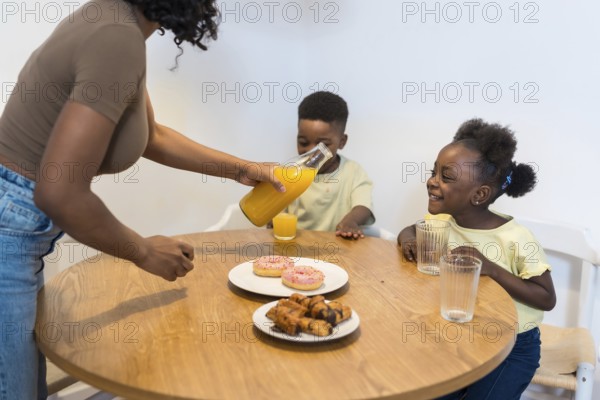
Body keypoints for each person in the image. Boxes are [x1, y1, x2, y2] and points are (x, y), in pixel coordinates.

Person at [0, 1, 285, 398]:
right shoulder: (116, 36)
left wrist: (241, 169)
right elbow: (60, 192)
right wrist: (145, 252)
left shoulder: (118, 22)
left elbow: (152, 136)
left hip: (17, 226)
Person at [398, 118, 556, 400]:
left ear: (479, 194)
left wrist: (493, 269)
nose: (432, 181)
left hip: (512, 347)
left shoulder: (517, 238)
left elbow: (546, 297)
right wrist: (408, 239)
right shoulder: (445, 221)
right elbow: (411, 229)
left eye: (446, 177)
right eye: (434, 172)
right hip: (463, 337)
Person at [283, 91, 375, 239]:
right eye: (303, 143)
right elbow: (278, 211)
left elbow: (363, 207)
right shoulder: (290, 173)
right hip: (296, 248)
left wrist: (350, 221)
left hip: (338, 249)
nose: (312, 152)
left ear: (342, 142)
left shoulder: (353, 171)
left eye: (323, 145)